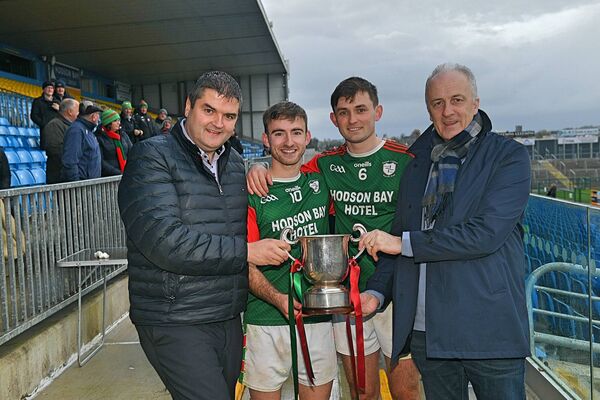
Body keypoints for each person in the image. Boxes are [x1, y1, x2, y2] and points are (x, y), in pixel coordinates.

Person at [360, 63, 531, 400]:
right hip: (430, 333)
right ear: (429, 110)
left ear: (475, 103)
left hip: (488, 330)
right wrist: (377, 294)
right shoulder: (418, 164)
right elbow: (400, 241)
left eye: (457, 99)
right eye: (437, 103)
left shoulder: (508, 157)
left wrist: (403, 242)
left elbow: (484, 234)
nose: (448, 111)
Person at [118, 71, 291, 400]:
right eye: (208, 110)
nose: (218, 124)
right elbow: (164, 241)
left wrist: (259, 167)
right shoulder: (151, 156)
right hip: (174, 316)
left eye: (228, 116)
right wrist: (247, 253)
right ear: (188, 107)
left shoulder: (236, 164)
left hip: (225, 314)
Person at [247, 77, 420, 400]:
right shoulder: (325, 166)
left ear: (377, 112)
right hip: (342, 298)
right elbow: (287, 167)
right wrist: (257, 168)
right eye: (344, 112)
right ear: (333, 119)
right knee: (362, 393)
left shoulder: (404, 162)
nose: (353, 119)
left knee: (406, 390)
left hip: (396, 292)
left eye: (361, 110)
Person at [243, 101, 335, 400]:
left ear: (308, 136)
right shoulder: (253, 192)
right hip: (265, 318)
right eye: (279, 133)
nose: (289, 141)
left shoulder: (321, 182)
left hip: (317, 317)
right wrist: (278, 299)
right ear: (266, 139)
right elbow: (244, 262)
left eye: (296, 132)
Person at [41, 98, 80, 183]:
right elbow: (55, 150)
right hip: (60, 177)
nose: (79, 114)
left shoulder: (72, 126)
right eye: (77, 111)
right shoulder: (54, 125)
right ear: (70, 111)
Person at [60, 103, 102, 182]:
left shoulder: (88, 131)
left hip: (90, 185)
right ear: (93, 116)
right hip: (82, 188)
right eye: (98, 114)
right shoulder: (77, 130)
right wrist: (77, 185)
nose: (98, 118)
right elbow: (70, 161)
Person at [96, 109, 132, 176]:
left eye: (119, 120)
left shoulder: (123, 135)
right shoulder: (99, 138)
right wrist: (118, 172)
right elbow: (101, 161)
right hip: (110, 178)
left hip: (126, 174)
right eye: (115, 121)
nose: (118, 123)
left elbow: (132, 151)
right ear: (108, 123)